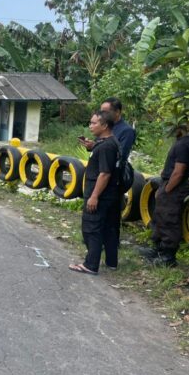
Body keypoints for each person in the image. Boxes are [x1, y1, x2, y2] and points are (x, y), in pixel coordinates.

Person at [69, 110, 121, 274]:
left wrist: (94, 196)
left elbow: (105, 174)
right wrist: (92, 147)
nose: (90, 126)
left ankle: (90, 265)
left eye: (93, 123)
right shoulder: (110, 142)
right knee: (108, 228)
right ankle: (111, 262)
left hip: (100, 195)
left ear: (104, 125)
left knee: (91, 228)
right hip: (110, 194)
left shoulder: (106, 147)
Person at [139, 124, 189, 267]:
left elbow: (179, 172)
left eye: (170, 126)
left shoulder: (185, 144)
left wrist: (167, 189)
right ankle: (158, 249)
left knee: (169, 220)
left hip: (175, 187)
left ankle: (168, 257)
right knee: (160, 217)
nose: (168, 130)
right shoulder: (182, 142)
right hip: (168, 184)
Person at [78, 97, 136, 162]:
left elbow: (121, 155)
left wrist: (95, 146)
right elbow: (99, 146)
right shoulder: (105, 126)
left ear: (117, 112)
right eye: (101, 112)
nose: (102, 115)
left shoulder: (127, 131)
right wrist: (91, 145)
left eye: (105, 112)